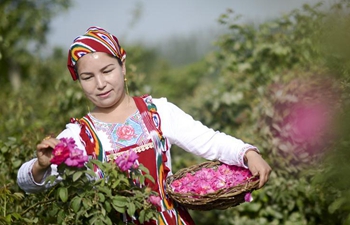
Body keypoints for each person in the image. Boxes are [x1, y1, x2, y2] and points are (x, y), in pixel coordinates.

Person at [17, 26, 271, 225]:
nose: (100, 83)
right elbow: (26, 182)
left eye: (107, 71)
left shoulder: (157, 112)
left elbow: (209, 141)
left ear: (122, 66)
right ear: (79, 81)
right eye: (88, 77)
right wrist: (41, 166)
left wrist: (247, 153)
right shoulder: (79, 135)